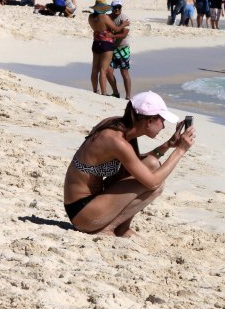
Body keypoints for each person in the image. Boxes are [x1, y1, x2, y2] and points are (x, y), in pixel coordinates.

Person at [63, 91, 195, 236]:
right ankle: (108, 227)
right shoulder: (116, 141)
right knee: (157, 185)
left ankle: (122, 227)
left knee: (151, 163)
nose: (163, 126)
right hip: (82, 211)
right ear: (149, 121)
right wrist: (180, 151)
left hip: (94, 200)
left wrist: (168, 145)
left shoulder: (118, 125)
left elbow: (135, 162)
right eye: (162, 120)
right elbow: (152, 183)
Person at [88, 0, 130, 96]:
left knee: (94, 69)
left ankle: (95, 90)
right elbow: (116, 28)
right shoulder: (104, 17)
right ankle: (104, 92)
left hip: (96, 43)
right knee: (103, 69)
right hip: (106, 44)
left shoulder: (90, 17)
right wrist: (124, 24)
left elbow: (97, 29)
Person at [106, 0, 133, 100]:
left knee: (124, 73)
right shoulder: (108, 18)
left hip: (123, 48)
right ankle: (116, 92)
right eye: (115, 7)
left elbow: (124, 34)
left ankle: (128, 96)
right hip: (111, 49)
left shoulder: (124, 18)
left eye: (119, 7)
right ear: (111, 8)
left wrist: (112, 35)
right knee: (108, 72)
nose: (117, 9)